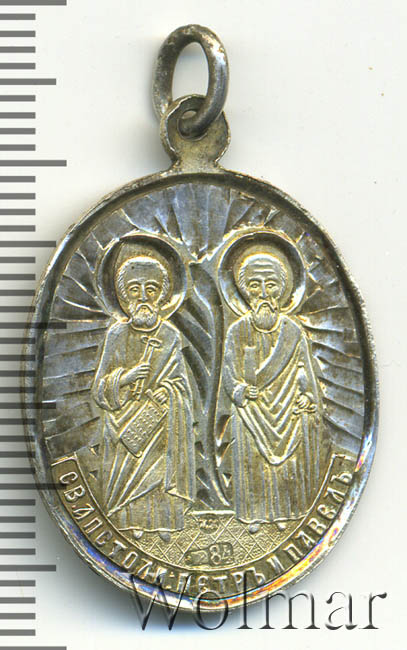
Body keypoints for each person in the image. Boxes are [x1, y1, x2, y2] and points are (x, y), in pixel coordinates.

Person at [222, 252, 330, 532]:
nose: (263, 293)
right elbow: (229, 375)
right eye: (254, 285)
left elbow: (306, 373)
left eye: (270, 284)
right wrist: (241, 391)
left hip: (287, 410)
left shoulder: (293, 332)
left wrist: (307, 396)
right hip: (251, 411)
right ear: (245, 291)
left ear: (282, 290)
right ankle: (255, 515)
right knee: (254, 460)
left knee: (287, 464)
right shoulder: (236, 331)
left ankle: (286, 512)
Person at [92, 254, 195, 541]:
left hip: (159, 419)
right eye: (134, 289)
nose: (143, 297)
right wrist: (125, 378)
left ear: (162, 295)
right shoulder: (117, 334)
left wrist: (167, 392)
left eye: (151, 289)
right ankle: (131, 520)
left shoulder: (170, 335)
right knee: (127, 465)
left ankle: (164, 522)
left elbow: (181, 384)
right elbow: (99, 388)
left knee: (160, 466)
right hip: (124, 422)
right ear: (124, 296)